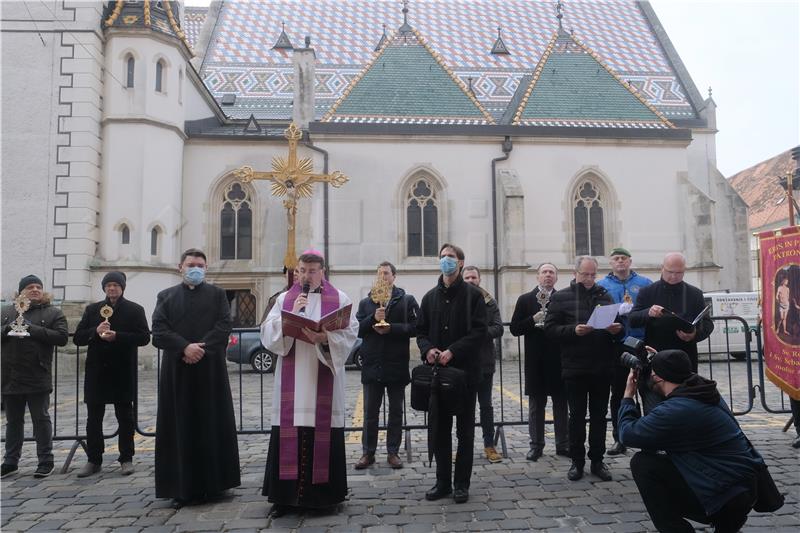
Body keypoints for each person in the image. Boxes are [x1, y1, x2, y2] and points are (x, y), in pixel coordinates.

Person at [619, 349, 763, 532]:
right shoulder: (702, 390)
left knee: (643, 464)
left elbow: (627, 434)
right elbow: (667, 394)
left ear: (659, 378)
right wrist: (662, 360)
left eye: (653, 372)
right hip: (743, 487)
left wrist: (628, 395)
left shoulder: (678, 410)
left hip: (726, 496)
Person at [260, 250, 358, 516]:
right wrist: (289, 317)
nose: (305, 276)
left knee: (322, 433)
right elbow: (267, 334)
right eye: (302, 270)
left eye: (312, 271)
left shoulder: (340, 299)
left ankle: (324, 499)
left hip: (321, 375)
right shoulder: (284, 299)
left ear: (322, 271)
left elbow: (350, 333)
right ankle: (284, 499)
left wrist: (325, 339)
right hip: (293, 383)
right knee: (288, 432)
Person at [151, 248, 240, 508]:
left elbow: (224, 326)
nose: (196, 268)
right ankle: (182, 488)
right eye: (191, 264)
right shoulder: (166, 296)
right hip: (177, 372)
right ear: (180, 267)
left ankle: (215, 485)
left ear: (206, 268)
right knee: (180, 427)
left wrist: (200, 349)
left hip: (210, 371)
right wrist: (184, 347)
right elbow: (158, 330)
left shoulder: (217, 295)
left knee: (211, 423)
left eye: (200, 264)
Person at [416, 243, 487, 504]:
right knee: (440, 430)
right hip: (439, 376)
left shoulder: (474, 296)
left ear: (460, 262)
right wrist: (429, 350)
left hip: (466, 374)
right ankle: (442, 481)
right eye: (443, 256)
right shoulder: (429, 297)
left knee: (464, 432)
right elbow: (421, 331)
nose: (446, 260)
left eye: (451, 257)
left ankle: (461, 484)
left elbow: (480, 332)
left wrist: (453, 351)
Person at [545, 256, 622, 482]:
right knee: (576, 416)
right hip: (575, 366)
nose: (588, 279)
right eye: (584, 274)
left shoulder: (604, 295)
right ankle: (577, 462)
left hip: (602, 365)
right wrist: (572, 331)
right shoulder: (560, 297)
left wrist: (616, 329)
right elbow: (550, 329)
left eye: (592, 275)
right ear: (575, 273)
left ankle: (597, 460)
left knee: (599, 416)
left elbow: (617, 324)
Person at [73, 272, 150, 477]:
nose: (112, 288)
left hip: (122, 370)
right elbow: (78, 338)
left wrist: (118, 336)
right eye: (108, 285)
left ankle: (126, 458)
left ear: (122, 287)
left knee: (125, 417)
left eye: (116, 285)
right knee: (93, 419)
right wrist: (95, 331)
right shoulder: (92, 310)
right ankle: (93, 459)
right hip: (97, 371)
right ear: (104, 288)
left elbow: (143, 337)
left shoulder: (135, 310)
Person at [1, 275, 68, 479]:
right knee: (13, 422)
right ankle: (10, 462)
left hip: (37, 373)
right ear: (21, 291)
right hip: (10, 376)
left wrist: (32, 329)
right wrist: (8, 329)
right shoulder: (6, 311)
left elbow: (61, 337)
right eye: (30, 287)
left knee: (41, 420)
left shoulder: (53, 312)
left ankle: (45, 461)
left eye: (38, 286)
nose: (35, 290)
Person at [354, 261, 419, 470]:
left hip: (396, 363)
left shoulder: (406, 300)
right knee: (370, 413)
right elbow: (357, 329)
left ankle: (393, 452)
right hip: (373, 364)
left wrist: (392, 328)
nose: (383, 276)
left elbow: (416, 327)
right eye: (379, 273)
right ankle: (368, 452)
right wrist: (372, 319)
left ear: (394, 276)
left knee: (396, 412)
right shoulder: (366, 303)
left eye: (386, 273)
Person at [510, 262, 569, 461]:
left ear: (556, 277)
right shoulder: (525, 299)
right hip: (535, 361)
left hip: (559, 359)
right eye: (544, 272)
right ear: (537, 277)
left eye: (551, 272)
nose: (548, 275)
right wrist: (532, 320)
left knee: (561, 404)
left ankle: (563, 444)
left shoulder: (563, 298)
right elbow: (515, 329)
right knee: (537, 406)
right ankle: (536, 445)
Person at [596, 247, 652, 456]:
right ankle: (620, 437)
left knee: (647, 390)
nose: (620, 262)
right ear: (610, 262)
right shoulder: (602, 285)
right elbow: (598, 312)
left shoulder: (644, 284)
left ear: (630, 261)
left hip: (641, 342)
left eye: (624, 258)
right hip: (616, 343)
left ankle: (649, 436)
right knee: (619, 392)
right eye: (616, 259)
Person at [629, 252, 714, 372]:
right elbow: (632, 319)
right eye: (670, 272)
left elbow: (707, 324)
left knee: (684, 389)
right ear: (662, 269)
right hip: (655, 353)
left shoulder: (695, 293)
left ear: (684, 271)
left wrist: (694, 334)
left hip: (685, 355)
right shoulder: (647, 292)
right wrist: (648, 312)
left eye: (679, 273)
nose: (674, 276)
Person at [462, 266, 504, 463]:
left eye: (473, 277)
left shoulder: (489, 301)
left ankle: (489, 445)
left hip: (484, 361)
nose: (470, 280)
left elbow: (498, 327)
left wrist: (478, 333)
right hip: (461, 363)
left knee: (485, 406)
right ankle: (464, 447)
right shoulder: (456, 300)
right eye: (467, 277)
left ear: (479, 279)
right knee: (463, 408)